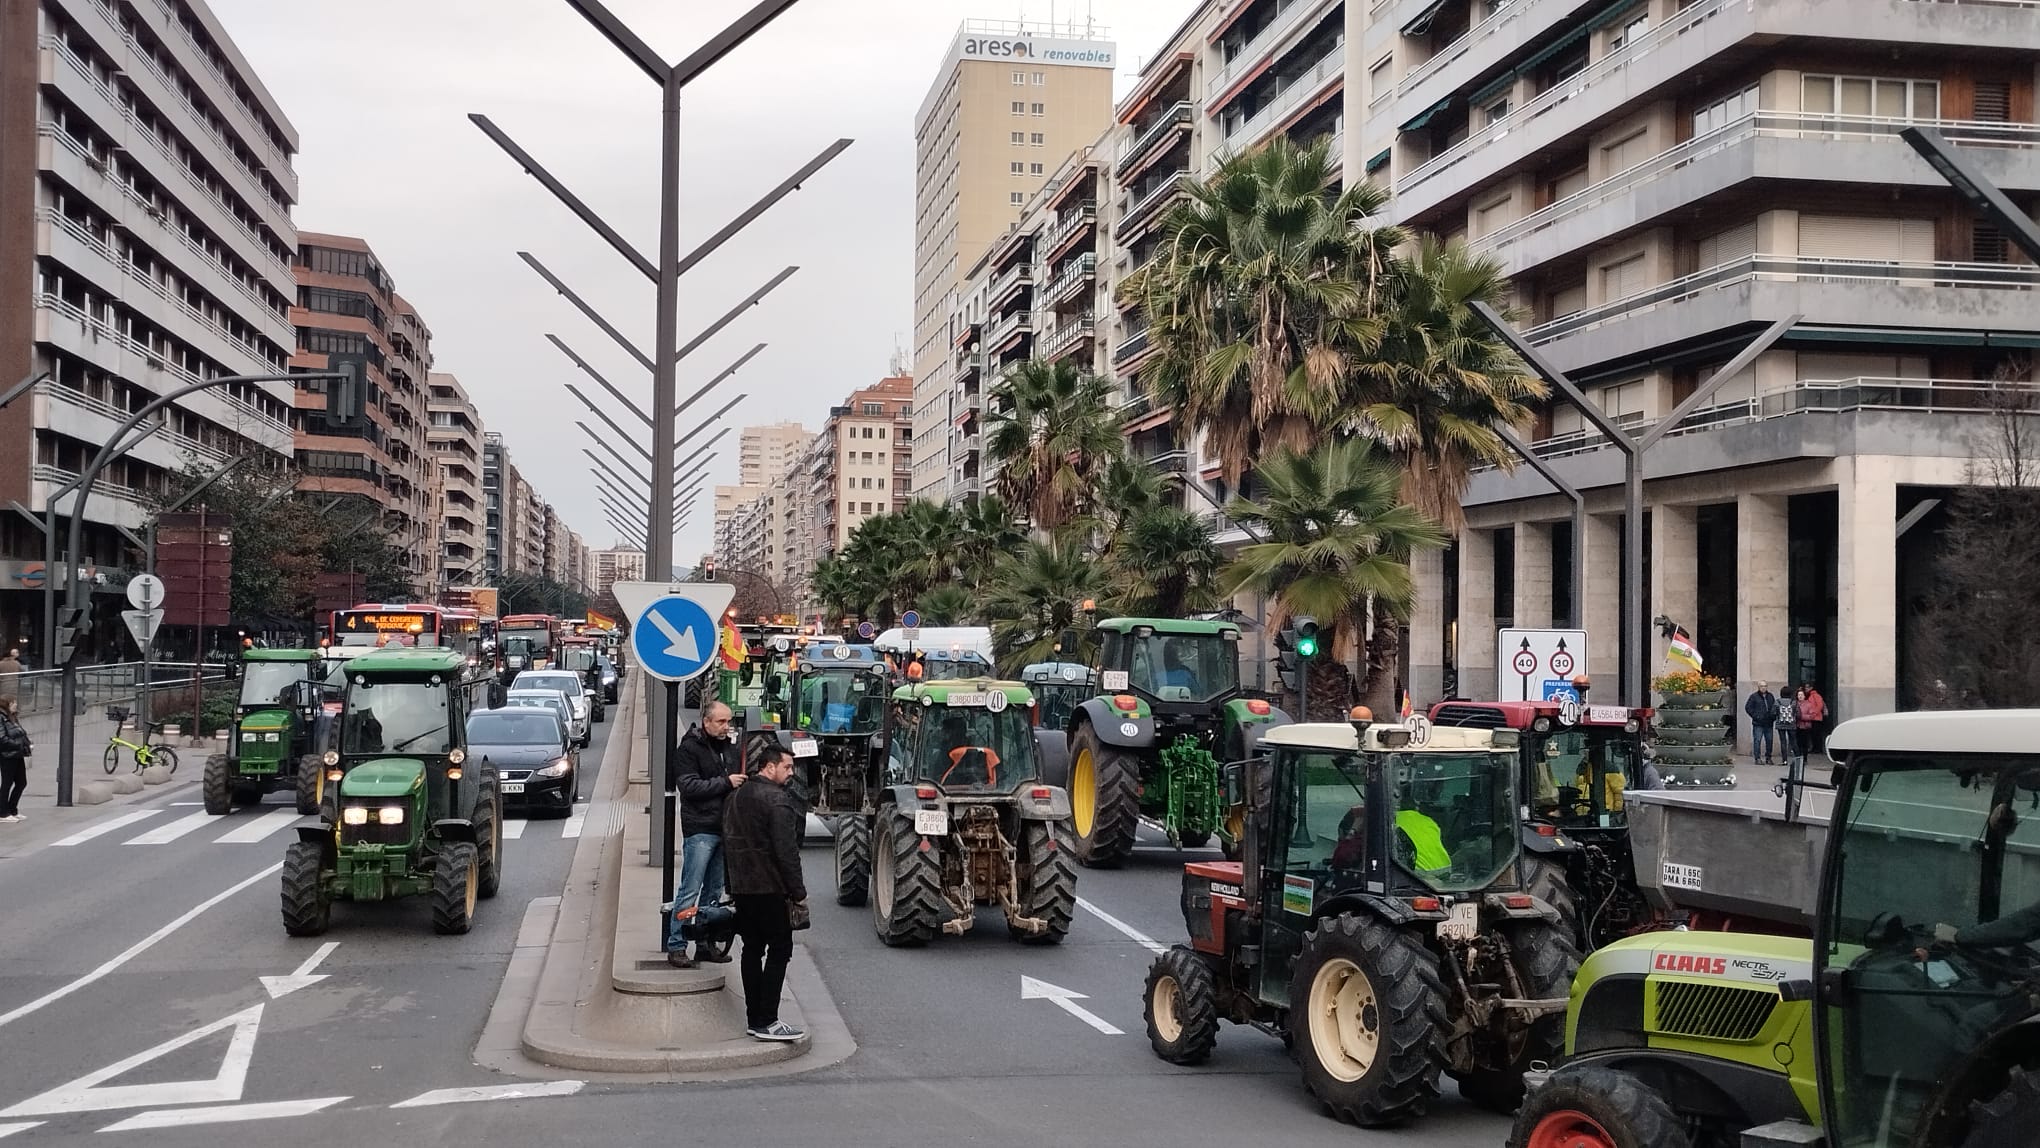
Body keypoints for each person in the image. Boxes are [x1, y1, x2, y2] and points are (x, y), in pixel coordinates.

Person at [722, 742, 807, 1042]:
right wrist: (798, 892)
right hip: (770, 887)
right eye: (787, 767)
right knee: (780, 949)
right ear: (769, 767)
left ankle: (753, 1017)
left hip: (743, 887)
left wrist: (730, 886)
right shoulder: (778, 801)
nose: (791, 773)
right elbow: (787, 852)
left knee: (752, 950)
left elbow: (728, 844)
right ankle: (768, 1018)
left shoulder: (735, 797)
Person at [671, 701, 744, 967]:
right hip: (700, 828)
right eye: (722, 722)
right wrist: (726, 782)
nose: (727, 727)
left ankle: (704, 944)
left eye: (729, 722)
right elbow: (689, 786)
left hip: (723, 828)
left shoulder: (727, 747)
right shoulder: (689, 749)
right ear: (706, 722)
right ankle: (677, 945)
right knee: (690, 890)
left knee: (713, 892)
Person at [0, 696, 29, 823]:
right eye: (13, 702)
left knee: (21, 782)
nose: (15, 704)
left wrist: (27, 743)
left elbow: (21, 733)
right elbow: (2, 739)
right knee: (7, 783)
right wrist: (19, 745)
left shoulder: (12, 718)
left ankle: (12, 809)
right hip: (7, 755)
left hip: (17, 754)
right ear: (6, 704)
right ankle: (3, 813)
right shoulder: (2, 718)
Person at [1744, 682, 1779, 765]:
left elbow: (1774, 707)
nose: (1763, 688)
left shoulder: (1770, 696)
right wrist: (1755, 716)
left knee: (1769, 740)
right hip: (1758, 723)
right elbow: (1748, 707)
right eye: (1762, 686)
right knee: (1757, 740)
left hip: (1768, 722)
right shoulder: (1754, 696)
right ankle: (1757, 758)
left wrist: (1773, 716)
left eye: (1765, 686)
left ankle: (1768, 757)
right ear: (1758, 687)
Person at [1798, 682, 1828, 756]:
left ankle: (1818, 748)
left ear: (1811, 688)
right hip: (1813, 718)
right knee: (1813, 734)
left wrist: (1813, 714)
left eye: (1807, 687)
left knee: (1816, 734)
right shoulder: (1810, 696)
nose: (1806, 689)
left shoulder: (1815, 696)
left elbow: (1819, 705)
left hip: (1816, 718)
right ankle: (1815, 748)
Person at [1776, 690, 1801, 770]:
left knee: (1783, 741)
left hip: (1781, 724)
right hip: (1791, 724)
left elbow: (1773, 712)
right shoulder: (1793, 702)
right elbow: (1798, 713)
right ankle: (1798, 759)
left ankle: (1784, 760)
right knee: (1793, 741)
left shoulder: (1777, 702)